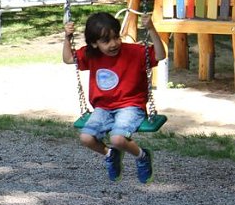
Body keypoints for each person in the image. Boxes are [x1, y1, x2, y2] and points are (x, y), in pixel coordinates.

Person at [62, 12, 166, 184]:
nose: (114, 44)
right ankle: (110, 154)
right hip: (103, 108)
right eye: (106, 41)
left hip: (130, 106)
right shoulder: (92, 55)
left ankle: (142, 156)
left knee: (117, 139)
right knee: (86, 138)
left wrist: (151, 29)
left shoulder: (134, 52)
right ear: (94, 44)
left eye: (116, 37)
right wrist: (67, 37)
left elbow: (160, 55)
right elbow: (67, 59)